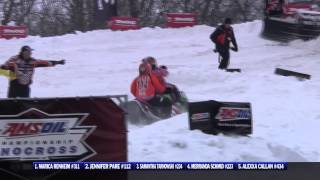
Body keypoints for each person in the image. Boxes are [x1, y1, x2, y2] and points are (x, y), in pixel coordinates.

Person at [0, 45, 65, 98]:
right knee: (11, 103)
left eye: (30, 52)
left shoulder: (32, 61)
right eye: (29, 52)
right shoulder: (14, 59)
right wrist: (6, 67)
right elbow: (5, 66)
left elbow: (45, 62)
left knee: (24, 103)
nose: (30, 53)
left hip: (25, 86)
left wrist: (57, 62)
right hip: (15, 84)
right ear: (23, 52)